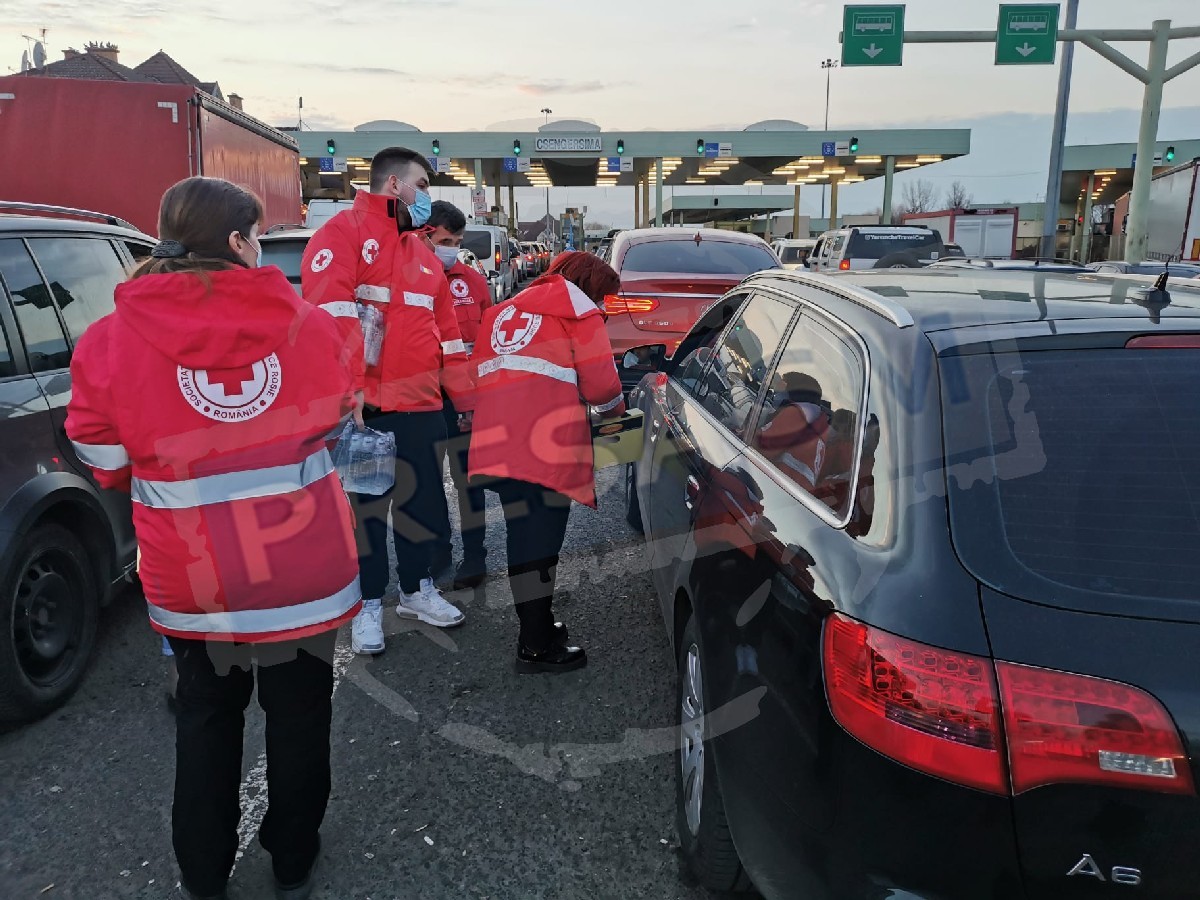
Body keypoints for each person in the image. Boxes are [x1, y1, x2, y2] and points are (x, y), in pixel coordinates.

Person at [65, 176, 361, 900]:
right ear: (237, 241)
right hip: (300, 567)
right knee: (300, 714)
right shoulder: (306, 324)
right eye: (256, 233)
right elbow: (336, 415)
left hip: (195, 576)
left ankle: (203, 871)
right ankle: (293, 856)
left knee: (204, 718)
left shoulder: (111, 337)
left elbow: (101, 455)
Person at [302, 148, 474, 656]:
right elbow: (330, 321)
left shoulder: (422, 256)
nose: (428, 195)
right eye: (422, 184)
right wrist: (350, 390)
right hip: (368, 408)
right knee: (368, 513)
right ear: (395, 184)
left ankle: (417, 591)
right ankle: (369, 604)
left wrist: (464, 400)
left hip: (422, 406)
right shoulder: (342, 235)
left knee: (420, 505)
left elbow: (450, 337)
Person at [469, 252, 626, 673]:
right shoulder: (578, 315)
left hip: (496, 443)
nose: (604, 305)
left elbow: (479, 374)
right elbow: (603, 390)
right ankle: (535, 645)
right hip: (544, 449)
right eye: (604, 296)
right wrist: (619, 411)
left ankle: (536, 628)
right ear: (589, 287)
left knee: (523, 540)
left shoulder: (502, 313)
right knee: (540, 548)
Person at [425, 200, 492, 590]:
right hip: (424, 398)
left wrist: (478, 398)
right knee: (428, 480)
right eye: (445, 240)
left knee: (469, 479)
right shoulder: (406, 279)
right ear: (425, 236)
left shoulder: (473, 281)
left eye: (457, 240)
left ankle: (475, 554)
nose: (451, 247)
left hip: (464, 397)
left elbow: (485, 343)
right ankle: (438, 550)